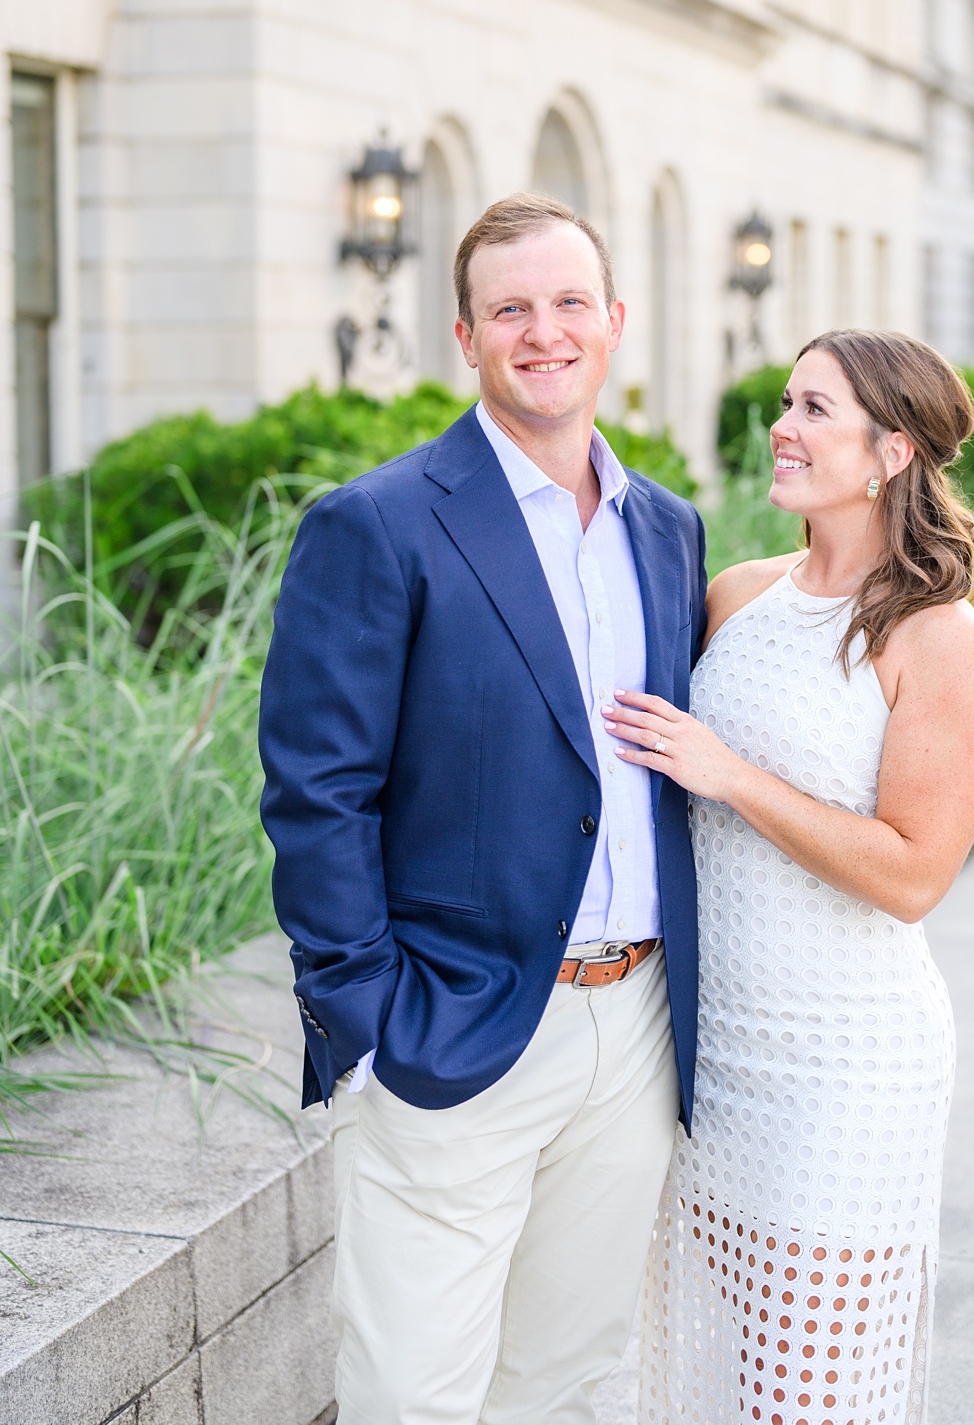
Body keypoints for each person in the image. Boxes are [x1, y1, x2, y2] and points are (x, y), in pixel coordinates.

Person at [258, 192, 707, 1425]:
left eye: (570, 303)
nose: (543, 331)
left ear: (614, 323)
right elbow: (317, 791)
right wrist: (364, 1023)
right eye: (511, 308)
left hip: (637, 1025)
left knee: (559, 1385)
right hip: (448, 1031)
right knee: (415, 1395)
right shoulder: (378, 523)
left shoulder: (667, 530)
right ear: (466, 336)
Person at [606, 329, 974, 1425]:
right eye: (788, 401)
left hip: (847, 1064)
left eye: (814, 409)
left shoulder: (941, 637)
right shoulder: (735, 596)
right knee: (702, 1374)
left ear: (891, 449)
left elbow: (917, 872)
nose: (782, 427)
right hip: (709, 1052)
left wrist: (733, 776)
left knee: (803, 1398)